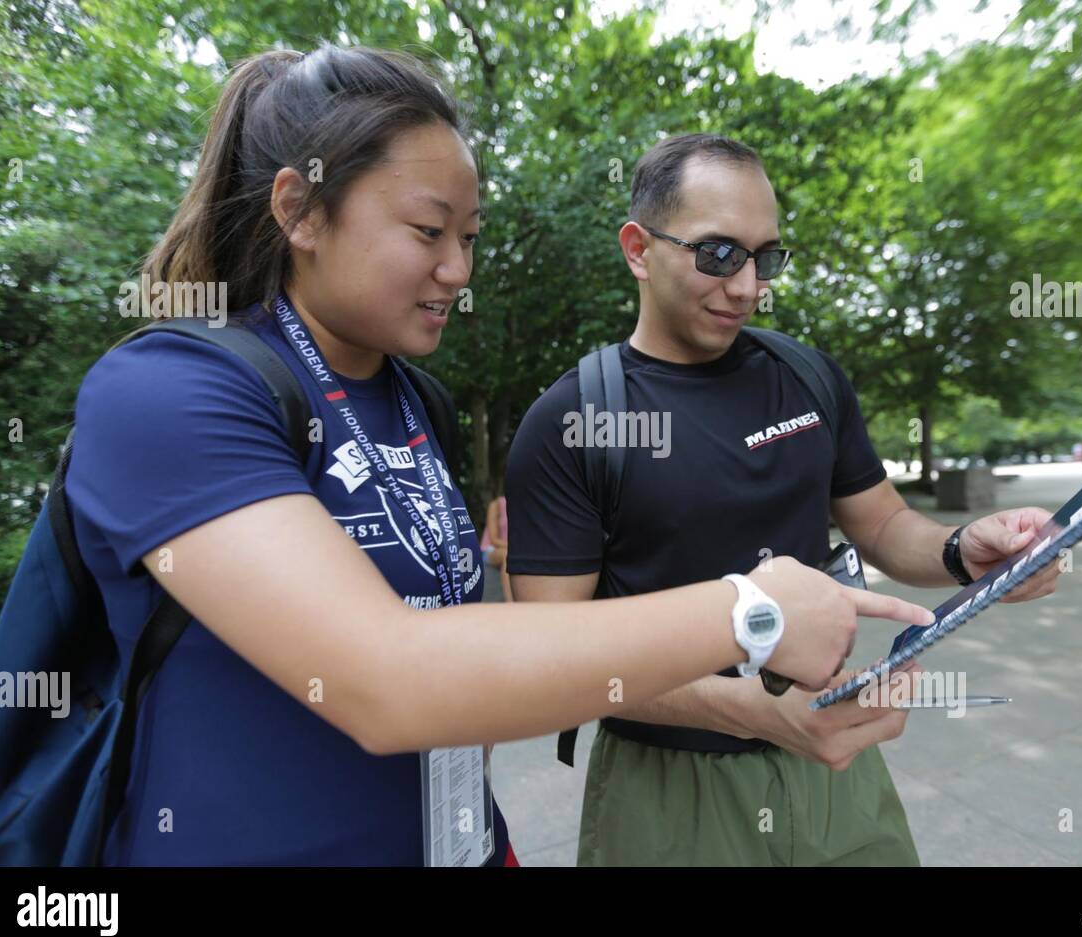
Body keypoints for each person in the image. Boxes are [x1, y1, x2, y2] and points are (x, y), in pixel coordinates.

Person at [65, 48, 915, 866]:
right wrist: (747, 612)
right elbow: (385, 680)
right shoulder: (169, 392)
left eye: (469, 236)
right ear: (301, 210)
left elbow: (488, 649)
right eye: (428, 231)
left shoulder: (410, 401)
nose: (456, 269)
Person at [506, 133, 1063, 866]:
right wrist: (745, 711)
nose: (746, 286)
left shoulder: (806, 375)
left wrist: (966, 552)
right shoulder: (572, 418)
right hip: (669, 793)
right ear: (639, 249)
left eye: (764, 256)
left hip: (834, 760)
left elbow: (885, 526)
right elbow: (549, 656)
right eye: (717, 254)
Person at [482, 487, 512, 601]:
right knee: (506, 555)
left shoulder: (524, 506)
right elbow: (494, 539)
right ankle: (511, 604)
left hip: (512, 549)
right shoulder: (496, 505)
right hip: (491, 550)